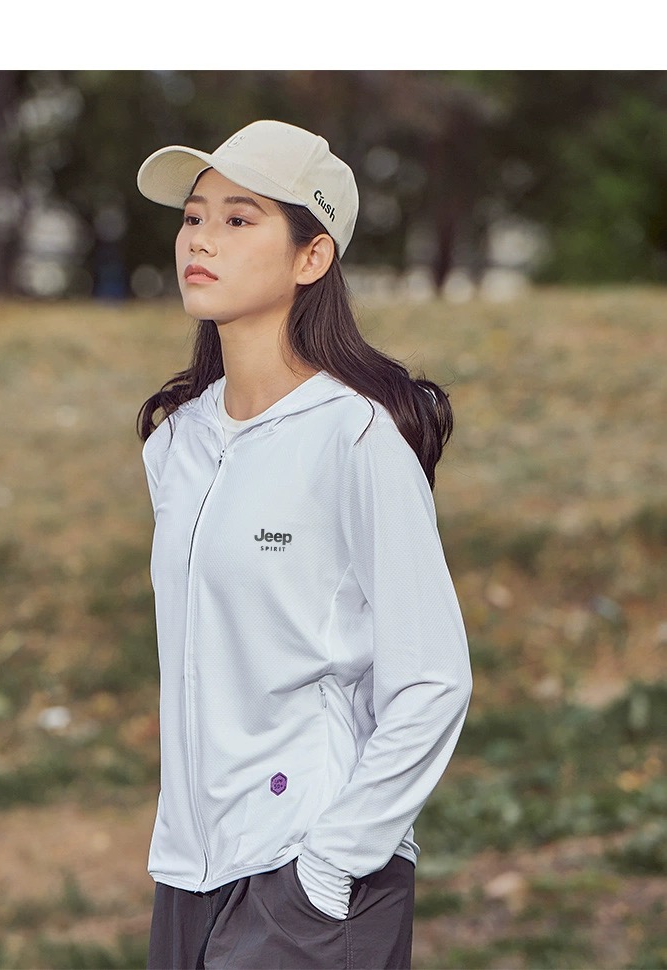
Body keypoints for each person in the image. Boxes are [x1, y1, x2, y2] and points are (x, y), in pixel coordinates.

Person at [135, 119, 472, 970]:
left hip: (308, 873)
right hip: (189, 871)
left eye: (237, 219)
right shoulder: (176, 443)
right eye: (193, 217)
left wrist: (329, 865)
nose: (200, 239)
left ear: (311, 257)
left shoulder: (356, 436)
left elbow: (434, 678)